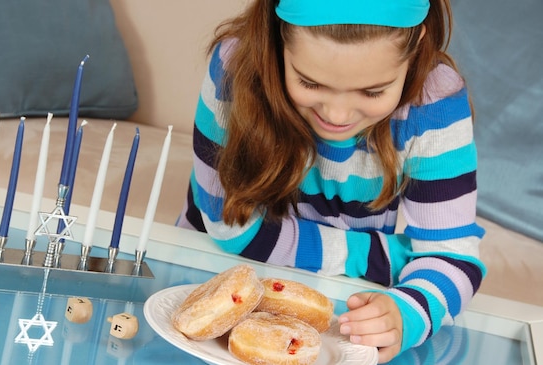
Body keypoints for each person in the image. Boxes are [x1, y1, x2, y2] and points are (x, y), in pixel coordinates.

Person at [176, 0, 486, 362]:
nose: (336, 116)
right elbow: (230, 229)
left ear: (417, 44)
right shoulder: (234, 67)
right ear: (278, 38)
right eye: (309, 82)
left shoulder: (434, 100)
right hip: (204, 283)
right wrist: (384, 257)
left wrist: (406, 314)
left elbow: (454, 259)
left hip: (336, 310)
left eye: (372, 92)